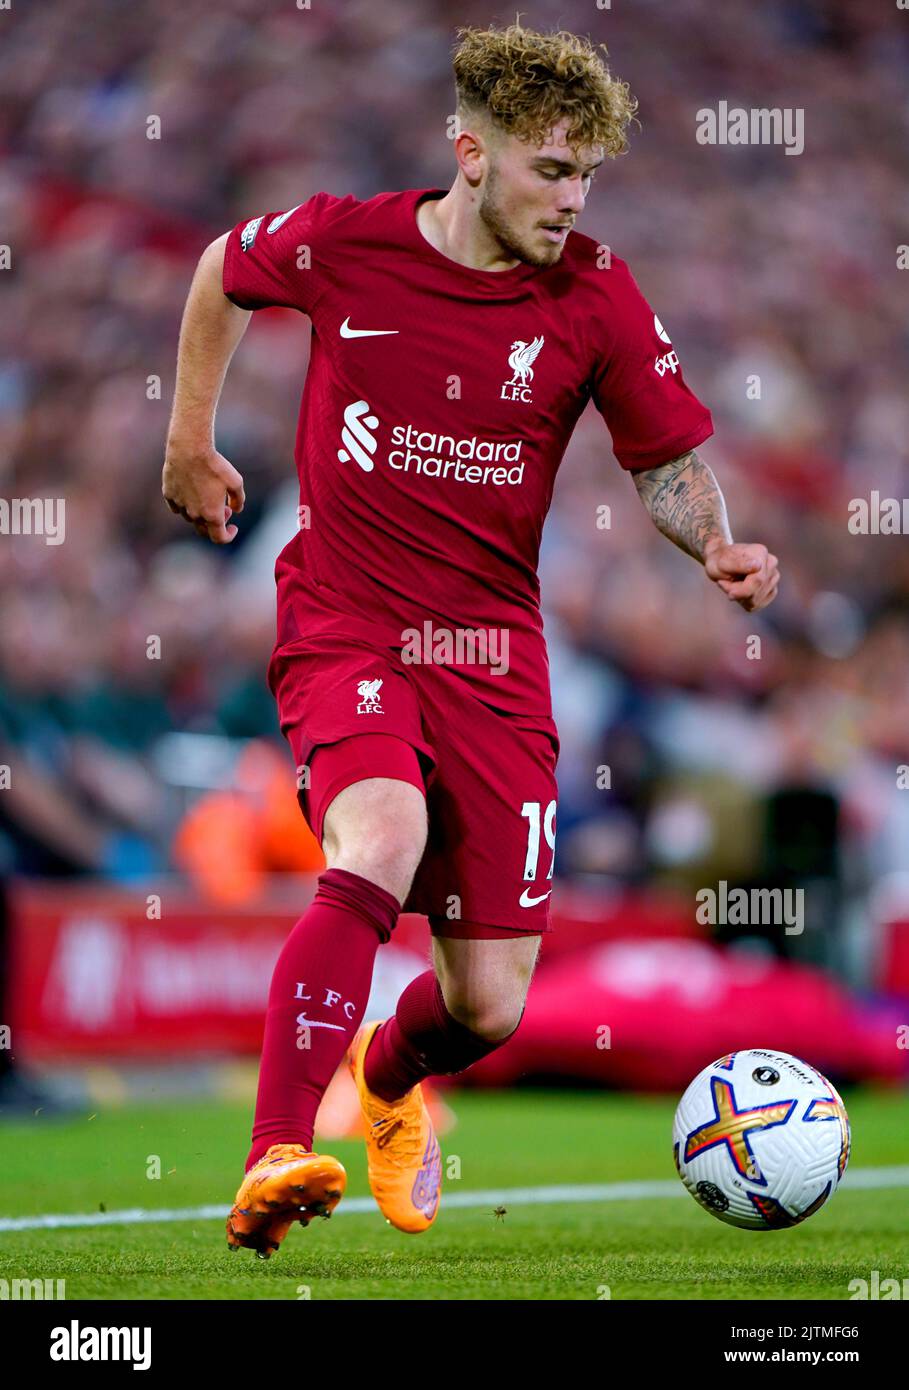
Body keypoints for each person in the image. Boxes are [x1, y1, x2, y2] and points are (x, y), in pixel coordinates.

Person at [162, 21, 779, 1257]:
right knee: (377, 832)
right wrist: (189, 437)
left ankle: (391, 1080)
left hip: (493, 657)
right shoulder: (351, 243)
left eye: (588, 175)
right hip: (348, 619)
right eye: (553, 171)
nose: (574, 199)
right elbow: (224, 267)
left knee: (488, 1005)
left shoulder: (594, 290)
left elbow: (665, 461)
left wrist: (711, 542)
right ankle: (274, 1147)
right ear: (472, 155)